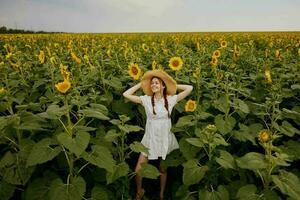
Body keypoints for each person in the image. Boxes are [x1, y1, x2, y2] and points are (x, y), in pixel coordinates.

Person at [123, 69, 193, 200]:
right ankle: (139, 192)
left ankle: (161, 194)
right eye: (152, 83)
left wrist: (172, 85)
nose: (153, 85)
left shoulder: (170, 100)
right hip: (150, 138)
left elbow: (190, 88)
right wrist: (141, 84)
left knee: (163, 169)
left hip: (164, 138)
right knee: (138, 169)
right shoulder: (146, 100)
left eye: (157, 83)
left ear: (162, 86)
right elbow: (126, 94)